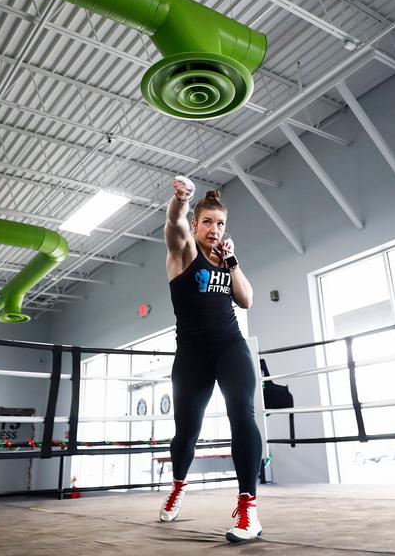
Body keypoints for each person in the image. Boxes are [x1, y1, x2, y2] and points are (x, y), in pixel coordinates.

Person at [158, 176, 262, 542]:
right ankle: (178, 484)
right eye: (208, 222)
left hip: (230, 346)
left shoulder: (225, 259)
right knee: (186, 431)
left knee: (242, 412)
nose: (214, 229)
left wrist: (232, 263)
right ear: (196, 224)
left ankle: (249, 509)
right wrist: (180, 201)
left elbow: (247, 299)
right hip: (192, 354)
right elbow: (173, 224)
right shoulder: (183, 252)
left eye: (220, 223)